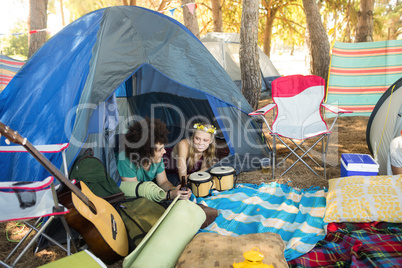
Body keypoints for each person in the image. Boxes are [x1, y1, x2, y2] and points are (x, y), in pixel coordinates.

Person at [117, 117, 191, 200]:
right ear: (146, 152)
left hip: (147, 189)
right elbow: (136, 194)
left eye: (163, 147)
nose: (164, 152)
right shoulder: (125, 161)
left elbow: (163, 182)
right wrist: (169, 195)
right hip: (135, 195)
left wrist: (175, 190)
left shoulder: (157, 158)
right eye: (160, 149)